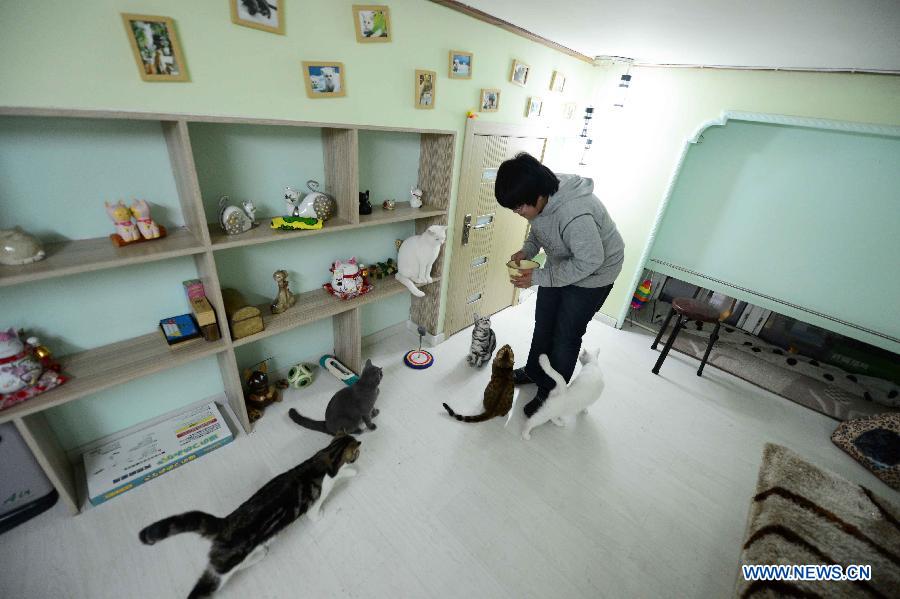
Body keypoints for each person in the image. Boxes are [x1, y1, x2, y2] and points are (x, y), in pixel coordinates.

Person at [494, 152, 625, 417]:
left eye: (519, 207)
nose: (518, 213)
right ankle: (534, 371)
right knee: (544, 324)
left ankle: (552, 395)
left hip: (594, 275)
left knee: (565, 336)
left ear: (538, 196)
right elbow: (539, 228)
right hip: (564, 264)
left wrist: (538, 278)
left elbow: (590, 261)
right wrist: (527, 251)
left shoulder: (573, 212)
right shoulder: (541, 199)